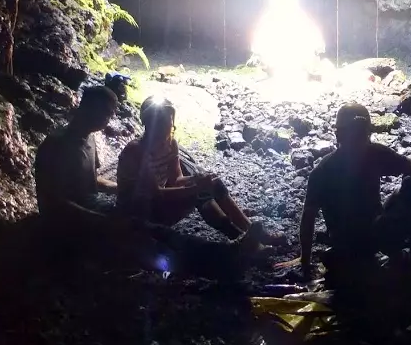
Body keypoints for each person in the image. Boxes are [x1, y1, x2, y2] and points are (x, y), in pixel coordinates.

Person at [299, 103, 411, 277]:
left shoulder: (373, 154)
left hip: (374, 231)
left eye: (361, 134)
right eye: (354, 134)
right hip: (351, 241)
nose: (358, 140)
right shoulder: (325, 170)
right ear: (339, 136)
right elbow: (308, 217)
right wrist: (305, 262)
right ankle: (402, 258)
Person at [116, 96, 276, 244]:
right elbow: (156, 193)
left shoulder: (171, 144)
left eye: (168, 122)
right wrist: (196, 188)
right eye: (159, 123)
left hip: (155, 204)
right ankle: (239, 238)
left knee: (214, 183)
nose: (165, 128)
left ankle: (251, 230)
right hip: (137, 212)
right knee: (199, 194)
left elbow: (176, 179)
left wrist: (198, 179)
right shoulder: (137, 150)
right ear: (147, 124)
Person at [35, 86, 120, 219]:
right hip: (63, 220)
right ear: (89, 108)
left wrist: (122, 188)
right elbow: (55, 202)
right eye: (107, 112)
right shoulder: (57, 145)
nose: (109, 119)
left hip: (90, 205)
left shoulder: (89, 138)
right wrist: (104, 220)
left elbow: (90, 181)